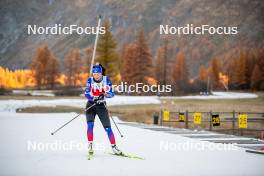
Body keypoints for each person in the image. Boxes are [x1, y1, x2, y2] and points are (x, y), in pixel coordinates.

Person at [84, 63, 122, 156]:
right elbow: (87, 93)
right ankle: (90, 146)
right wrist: (93, 98)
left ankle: (114, 147)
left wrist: (105, 95)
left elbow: (111, 93)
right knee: (90, 125)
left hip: (101, 106)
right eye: (94, 74)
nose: (96, 76)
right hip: (91, 105)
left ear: (101, 74)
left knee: (108, 128)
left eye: (98, 74)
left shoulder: (106, 80)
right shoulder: (90, 80)